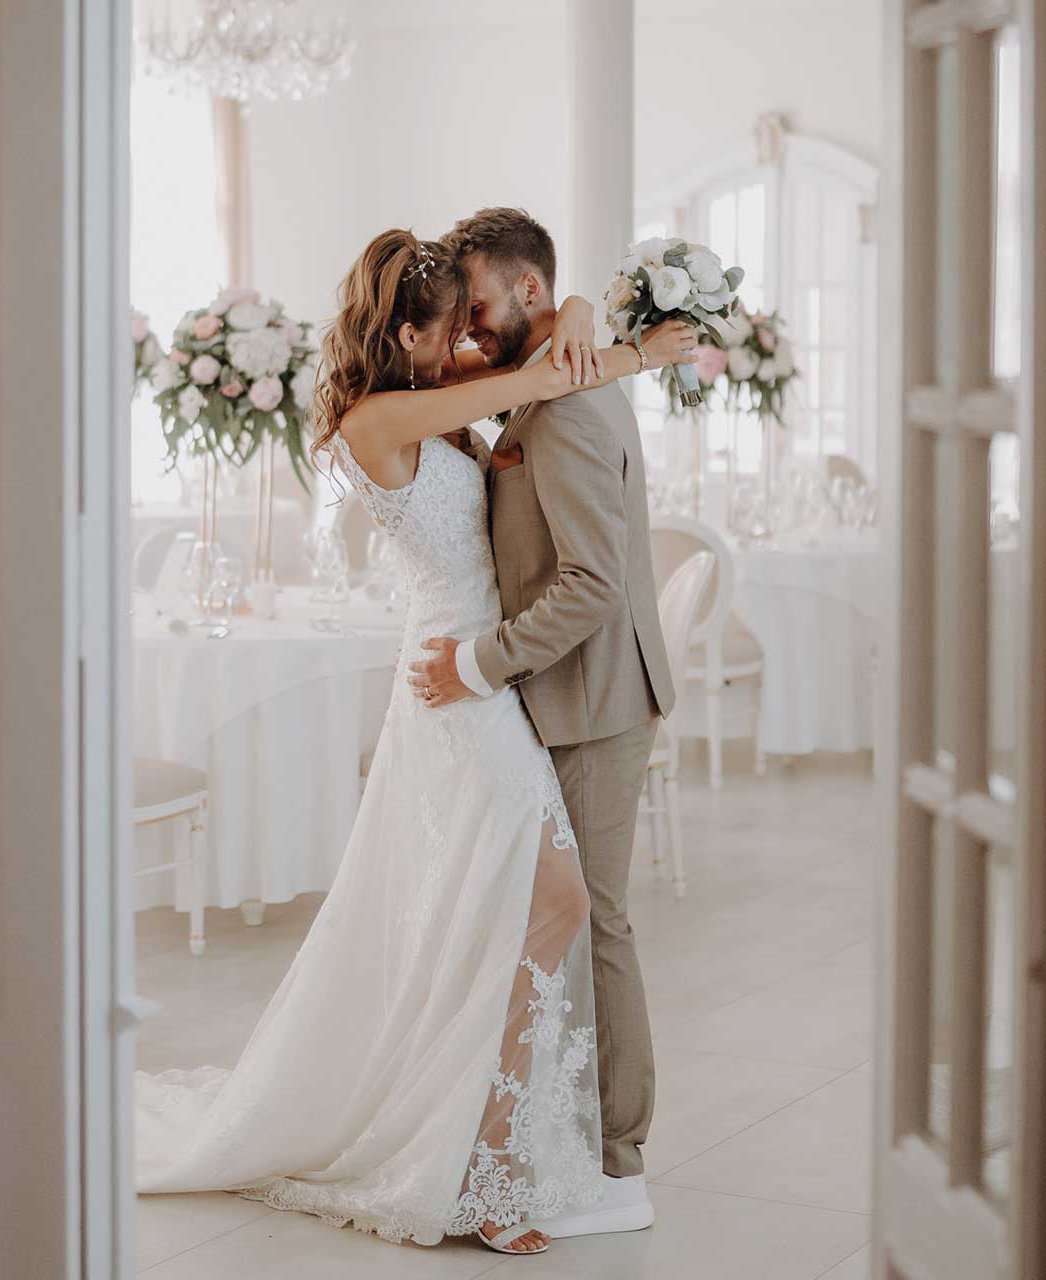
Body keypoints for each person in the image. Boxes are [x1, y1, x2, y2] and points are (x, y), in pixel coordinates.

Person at [134, 226, 701, 1255]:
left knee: (515, 911)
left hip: (481, 683)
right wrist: (620, 350)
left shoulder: (442, 395)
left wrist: (587, 323)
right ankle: (483, 1173)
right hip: (454, 686)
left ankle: (492, 1151)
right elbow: (514, 385)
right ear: (406, 332)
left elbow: (536, 370)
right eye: (452, 329)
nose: (468, 342)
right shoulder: (382, 416)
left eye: (472, 325)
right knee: (554, 902)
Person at [408, 207, 678, 1241]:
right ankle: (567, 1138)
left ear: (530, 292)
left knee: (595, 920)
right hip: (561, 698)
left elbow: (593, 585)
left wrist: (479, 662)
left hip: (594, 697)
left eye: (477, 302)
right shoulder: (554, 376)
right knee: (563, 921)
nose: (468, 325)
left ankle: (620, 1159)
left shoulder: (564, 404)